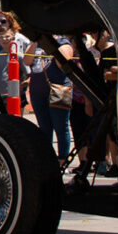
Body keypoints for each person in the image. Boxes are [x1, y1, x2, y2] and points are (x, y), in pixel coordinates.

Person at [26, 33, 76, 163]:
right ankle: (47, 159)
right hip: (37, 93)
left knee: (60, 126)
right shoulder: (35, 45)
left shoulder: (64, 42)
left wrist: (52, 44)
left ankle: (63, 159)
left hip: (58, 91)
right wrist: (36, 43)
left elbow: (63, 60)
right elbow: (27, 61)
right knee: (44, 127)